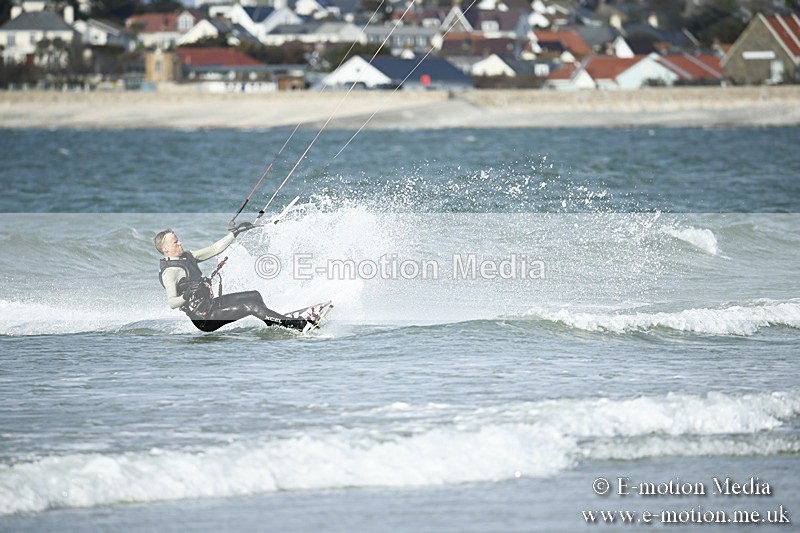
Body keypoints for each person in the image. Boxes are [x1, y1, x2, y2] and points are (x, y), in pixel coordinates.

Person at [155, 224, 318, 332]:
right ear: (165, 249)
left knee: (254, 295)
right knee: (250, 306)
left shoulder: (187, 256)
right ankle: (296, 326)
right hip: (204, 318)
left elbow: (214, 249)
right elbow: (172, 303)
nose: (180, 243)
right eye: (176, 242)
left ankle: (275, 322)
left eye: (178, 240)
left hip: (210, 305)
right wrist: (187, 294)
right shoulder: (170, 272)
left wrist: (235, 233)